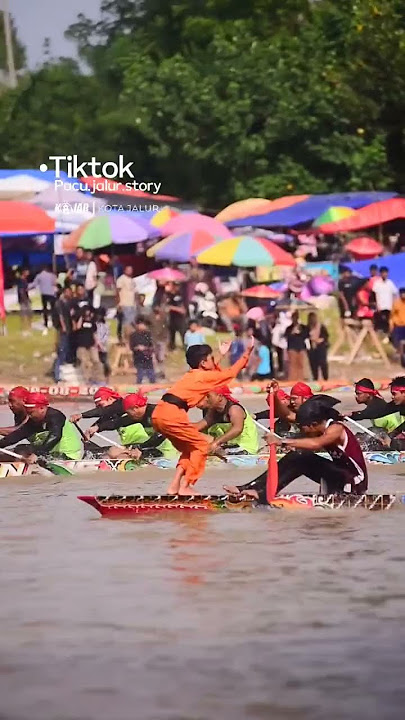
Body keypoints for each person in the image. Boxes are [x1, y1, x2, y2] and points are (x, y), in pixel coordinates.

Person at [152, 339, 254, 494]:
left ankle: (174, 486)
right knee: (201, 446)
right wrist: (247, 352)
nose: (214, 361)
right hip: (172, 415)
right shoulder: (201, 377)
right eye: (211, 359)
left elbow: (209, 373)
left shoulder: (193, 375)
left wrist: (220, 355)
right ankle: (186, 486)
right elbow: (230, 373)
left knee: (190, 449)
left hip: (159, 413)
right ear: (203, 362)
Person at [224, 400, 368, 501]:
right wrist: (274, 396)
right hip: (337, 476)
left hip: (354, 481)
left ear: (313, 424)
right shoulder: (318, 425)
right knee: (297, 457)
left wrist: (281, 441)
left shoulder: (336, 429)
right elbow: (287, 415)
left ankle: (264, 494)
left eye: (302, 426)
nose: (300, 429)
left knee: (301, 457)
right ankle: (254, 488)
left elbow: (316, 443)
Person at [85, 392, 175, 459]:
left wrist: (139, 449)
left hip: (168, 455)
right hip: (154, 448)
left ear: (135, 408)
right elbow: (119, 422)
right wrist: (97, 427)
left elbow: (160, 436)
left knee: (120, 456)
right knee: (113, 452)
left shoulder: (158, 414)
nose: (128, 415)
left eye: (128, 413)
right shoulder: (139, 414)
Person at [0, 392, 82, 461]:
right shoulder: (34, 420)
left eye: (31, 413)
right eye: (27, 413)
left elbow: (55, 436)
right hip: (51, 454)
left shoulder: (55, 416)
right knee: (20, 449)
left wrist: (37, 454)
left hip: (69, 455)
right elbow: (17, 435)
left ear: (42, 408)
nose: (29, 416)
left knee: (26, 451)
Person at [196, 385, 259, 455]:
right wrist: (183, 428)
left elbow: (237, 429)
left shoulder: (234, 409)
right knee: (194, 435)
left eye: (208, 396)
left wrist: (216, 442)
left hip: (244, 448)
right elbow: (199, 425)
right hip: (228, 445)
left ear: (219, 397)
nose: (205, 399)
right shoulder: (213, 411)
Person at [74, 306, 103, 383]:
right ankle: (87, 379)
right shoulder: (81, 321)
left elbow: (94, 333)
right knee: (85, 362)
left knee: (96, 361)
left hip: (92, 345)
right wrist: (81, 317)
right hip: (82, 345)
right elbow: (77, 327)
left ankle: (97, 378)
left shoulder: (92, 323)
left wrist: (98, 343)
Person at [53, 286, 75, 382]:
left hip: (69, 330)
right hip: (63, 330)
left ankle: (64, 373)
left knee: (67, 351)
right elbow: (61, 316)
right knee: (62, 351)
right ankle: (57, 375)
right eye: (69, 292)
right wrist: (64, 327)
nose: (70, 294)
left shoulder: (69, 303)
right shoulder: (59, 303)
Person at [129, 317, 156, 384]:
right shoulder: (133, 335)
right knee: (140, 375)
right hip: (138, 357)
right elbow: (131, 347)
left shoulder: (148, 334)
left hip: (148, 357)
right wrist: (137, 348)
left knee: (151, 375)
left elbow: (152, 346)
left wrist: (145, 348)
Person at [373, 267, 398, 336]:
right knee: (380, 320)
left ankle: (388, 334)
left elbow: (395, 293)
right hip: (380, 305)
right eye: (383, 273)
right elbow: (374, 294)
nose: (384, 274)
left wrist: (394, 304)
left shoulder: (390, 283)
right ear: (380, 274)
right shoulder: (377, 283)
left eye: (386, 273)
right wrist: (377, 305)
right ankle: (380, 333)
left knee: (388, 320)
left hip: (389, 305)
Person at [306, 311, 329, 381]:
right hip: (311, 348)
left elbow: (326, 336)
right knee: (313, 364)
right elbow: (305, 336)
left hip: (321, 348)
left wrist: (320, 340)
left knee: (323, 364)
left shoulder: (321, 327)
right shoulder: (307, 328)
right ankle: (315, 378)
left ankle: (325, 378)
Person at [33, 265, 57, 332]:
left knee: (45, 309)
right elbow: (54, 283)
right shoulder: (52, 275)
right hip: (51, 293)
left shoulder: (39, 275)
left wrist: (27, 287)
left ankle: (46, 323)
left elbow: (34, 284)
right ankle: (54, 323)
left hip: (44, 294)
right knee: (53, 309)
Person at [285, 310, 307, 381]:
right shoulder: (289, 328)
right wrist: (292, 332)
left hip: (301, 347)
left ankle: (301, 379)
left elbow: (306, 335)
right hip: (292, 348)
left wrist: (300, 331)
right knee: (293, 365)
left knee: (300, 364)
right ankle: (292, 380)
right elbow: (286, 336)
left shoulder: (303, 327)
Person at [116, 265, 137, 331]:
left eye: (131, 270)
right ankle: (125, 338)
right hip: (124, 304)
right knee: (126, 322)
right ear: (124, 270)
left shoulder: (132, 280)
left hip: (132, 305)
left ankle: (131, 338)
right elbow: (117, 292)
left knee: (132, 322)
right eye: (128, 270)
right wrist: (118, 303)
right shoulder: (121, 279)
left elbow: (135, 292)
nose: (130, 271)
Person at [150, 305, 168, 379]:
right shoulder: (150, 317)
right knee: (154, 357)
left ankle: (162, 372)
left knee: (161, 358)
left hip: (162, 340)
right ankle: (156, 372)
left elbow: (166, 329)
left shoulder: (164, 317)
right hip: (153, 340)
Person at [167, 282, 187, 349]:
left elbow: (182, 306)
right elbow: (167, 306)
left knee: (182, 332)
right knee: (172, 333)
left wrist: (180, 309)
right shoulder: (168, 295)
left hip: (179, 318)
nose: (177, 287)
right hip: (172, 317)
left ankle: (185, 346)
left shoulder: (180, 295)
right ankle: (172, 346)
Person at [96, 308, 111, 382]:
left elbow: (106, 335)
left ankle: (106, 378)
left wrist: (101, 343)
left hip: (103, 347)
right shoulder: (95, 324)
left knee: (104, 362)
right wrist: (97, 343)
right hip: (95, 346)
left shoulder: (106, 325)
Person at [16, 269, 32, 334]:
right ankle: (24, 328)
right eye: (27, 272)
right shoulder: (21, 281)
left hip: (25, 298)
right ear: (24, 272)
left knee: (28, 314)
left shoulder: (24, 280)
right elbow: (21, 291)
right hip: (23, 300)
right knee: (25, 313)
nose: (28, 273)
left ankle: (27, 327)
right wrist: (25, 299)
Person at [390, 287, 405, 352]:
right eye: (402, 293)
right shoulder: (396, 303)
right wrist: (391, 326)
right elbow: (392, 316)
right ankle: (399, 356)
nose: (403, 295)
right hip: (398, 326)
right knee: (399, 343)